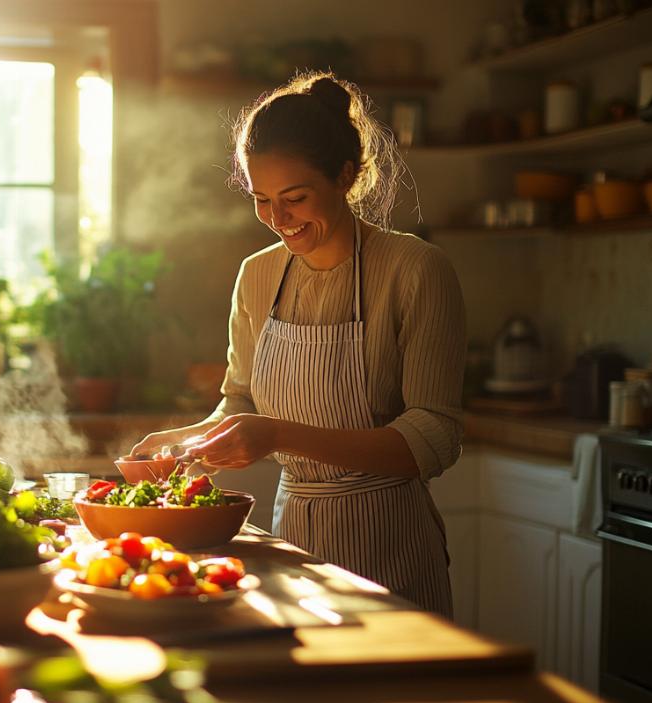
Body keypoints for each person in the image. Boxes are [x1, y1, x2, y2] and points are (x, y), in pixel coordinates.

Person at [131, 71, 465, 617]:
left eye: (295, 198)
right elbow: (241, 400)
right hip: (295, 545)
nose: (277, 219)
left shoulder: (415, 269)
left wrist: (276, 435)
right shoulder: (258, 275)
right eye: (261, 200)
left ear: (345, 176)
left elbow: (434, 436)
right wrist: (184, 443)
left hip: (391, 545)